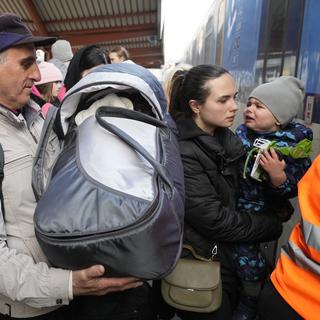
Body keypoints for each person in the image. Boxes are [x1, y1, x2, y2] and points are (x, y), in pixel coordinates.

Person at [0, 12, 142, 319]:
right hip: (30, 307)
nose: (38, 76)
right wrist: (66, 284)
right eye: (27, 64)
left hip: (73, 295)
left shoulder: (45, 120)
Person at [155, 64, 284, 320]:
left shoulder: (227, 138)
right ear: (195, 106)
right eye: (223, 100)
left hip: (228, 256)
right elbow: (215, 221)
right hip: (204, 259)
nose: (235, 107)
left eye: (234, 97)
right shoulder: (183, 151)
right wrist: (271, 224)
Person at [232, 76, 313, 320]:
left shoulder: (293, 149)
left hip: (262, 213)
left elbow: (297, 189)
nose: (249, 110)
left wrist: (278, 177)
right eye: (249, 104)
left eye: (259, 106)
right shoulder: (241, 135)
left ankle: (251, 298)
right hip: (236, 207)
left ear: (278, 117)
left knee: (249, 261)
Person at [258, 153, 320, 320]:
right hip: (297, 299)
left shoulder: (295, 143)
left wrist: (279, 178)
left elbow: (296, 188)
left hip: (284, 288)